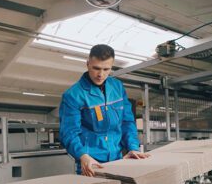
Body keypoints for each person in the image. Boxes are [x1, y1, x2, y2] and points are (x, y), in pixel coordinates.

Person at [59, 44, 149, 176]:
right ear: (88, 64)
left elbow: (127, 122)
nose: (101, 74)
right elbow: (69, 132)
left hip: (118, 160)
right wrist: (82, 155)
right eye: (96, 68)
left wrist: (133, 147)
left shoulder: (117, 87)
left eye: (106, 69)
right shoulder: (73, 95)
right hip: (91, 162)